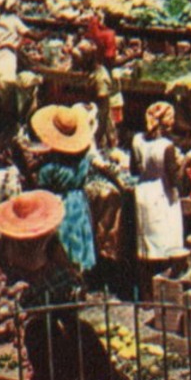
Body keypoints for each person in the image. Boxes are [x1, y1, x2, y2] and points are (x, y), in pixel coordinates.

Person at [30, 104, 122, 275]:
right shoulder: (83, 156)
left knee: (62, 245)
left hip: (58, 203)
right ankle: (81, 279)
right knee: (78, 240)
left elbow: (42, 184)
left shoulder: (51, 164)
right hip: (78, 201)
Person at [131, 102, 185, 285]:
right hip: (162, 197)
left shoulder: (137, 140)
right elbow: (173, 179)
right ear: (167, 122)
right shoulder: (166, 147)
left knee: (147, 244)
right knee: (166, 243)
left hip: (143, 193)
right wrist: (185, 165)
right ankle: (163, 286)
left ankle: (146, 289)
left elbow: (133, 170)